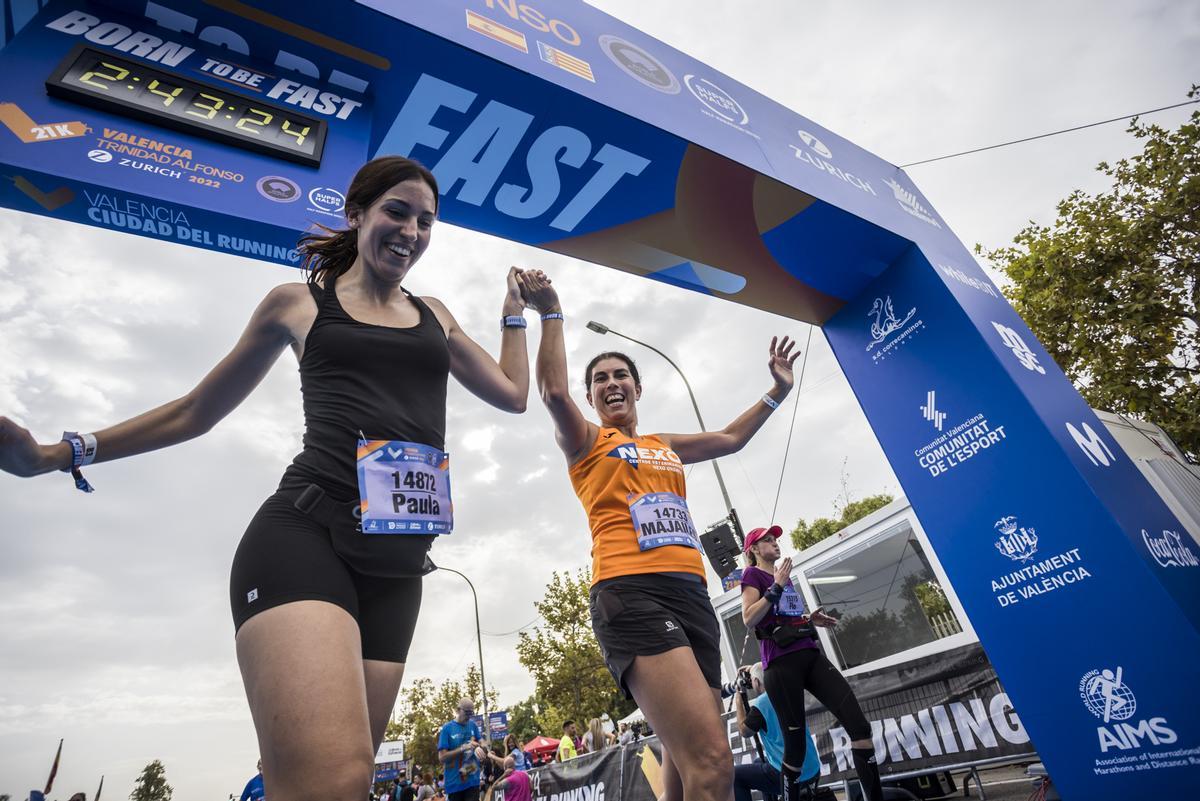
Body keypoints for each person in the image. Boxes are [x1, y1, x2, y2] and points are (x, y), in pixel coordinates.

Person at [0, 156, 533, 801]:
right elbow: (195, 411)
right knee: (330, 779)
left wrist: (518, 313)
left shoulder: (436, 315)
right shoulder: (299, 304)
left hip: (399, 567)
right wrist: (59, 453)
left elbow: (512, 394)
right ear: (357, 213)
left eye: (427, 221)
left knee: (340, 781)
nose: (412, 231)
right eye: (398, 211)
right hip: (306, 537)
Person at [520, 269, 799, 801]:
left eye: (619, 374)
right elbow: (553, 390)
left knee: (681, 755)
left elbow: (731, 438)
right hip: (631, 592)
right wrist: (550, 310)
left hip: (690, 594)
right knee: (714, 759)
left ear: (637, 387)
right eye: (599, 380)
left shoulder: (662, 442)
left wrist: (777, 392)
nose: (610, 383)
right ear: (593, 397)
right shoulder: (586, 441)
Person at [741, 526, 883, 801]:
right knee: (795, 748)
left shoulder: (784, 577)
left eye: (776, 539)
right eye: (767, 540)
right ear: (755, 549)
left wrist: (808, 619)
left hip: (809, 654)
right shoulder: (753, 574)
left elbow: (786, 617)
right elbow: (749, 618)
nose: (775, 543)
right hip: (781, 665)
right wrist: (776, 586)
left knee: (860, 728)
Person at [733, 663, 820, 801]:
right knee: (758, 762)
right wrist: (754, 669)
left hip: (790, 776)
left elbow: (744, 731)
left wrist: (738, 697)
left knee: (735, 776)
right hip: (813, 770)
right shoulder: (788, 691)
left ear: (755, 681)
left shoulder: (762, 703)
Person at [438, 698, 485, 801]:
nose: (469, 716)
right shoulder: (447, 729)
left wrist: (480, 747)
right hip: (454, 783)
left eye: (471, 713)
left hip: (472, 780)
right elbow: (442, 757)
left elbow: (483, 743)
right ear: (458, 710)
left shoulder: (473, 725)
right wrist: (463, 748)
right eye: (467, 712)